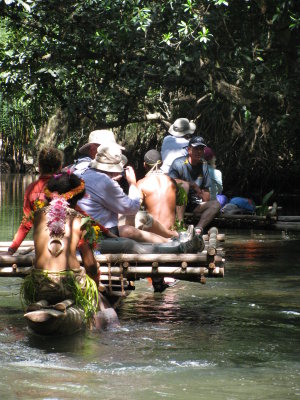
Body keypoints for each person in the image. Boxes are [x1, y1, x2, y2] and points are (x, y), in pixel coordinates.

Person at [75, 143, 204, 255]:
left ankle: (173, 239)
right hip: (94, 237)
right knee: (129, 244)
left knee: (140, 218)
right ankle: (178, 247)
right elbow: (132, 208)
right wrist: (132, 183)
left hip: (99, 229)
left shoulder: (84, 173)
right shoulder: (105, 181)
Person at [21, 172, 102, 325]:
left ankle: (41, 302)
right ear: (76, 197)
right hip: (70, 284)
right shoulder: (81, 220)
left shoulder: (37, 216)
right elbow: (90, 265)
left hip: (39, 284)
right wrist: (95, 283)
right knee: (93, 268)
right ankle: (75, 306)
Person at [7, 147, 64, 255]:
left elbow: (26, 224)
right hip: (65, 246)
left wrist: (11, 250)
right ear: (60, 167)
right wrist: (105, 230)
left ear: (39, 166)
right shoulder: (67, 188)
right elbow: (81, 215)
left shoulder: (32, 189)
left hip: (42, 248)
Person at [168, 136, 221, 236]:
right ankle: (180, 224)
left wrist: (202, 195)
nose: (199, 152)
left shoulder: (204, 165)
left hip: (193, 204)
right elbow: (169, 181)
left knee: (216, 204)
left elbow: (206, 191)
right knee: (184, 186)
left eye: (201, 149)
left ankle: (198, 228)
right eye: (196, 148)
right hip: (176, 204)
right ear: (189, 150)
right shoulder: (178, 163)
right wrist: (191, 185)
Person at [135, 149, 178, 237]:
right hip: (170, 230)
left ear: (144, 165)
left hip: (152, 233)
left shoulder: (141, 183)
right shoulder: (172, 182)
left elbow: (133, 207)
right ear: (161, 164)